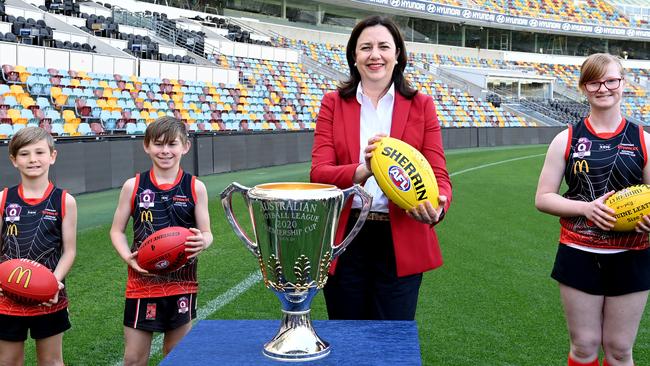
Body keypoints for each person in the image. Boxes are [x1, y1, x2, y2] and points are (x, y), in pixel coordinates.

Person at [310, 15, 452, 321]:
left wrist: (438, 204)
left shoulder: (421, 105)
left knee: (392, 340)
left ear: (397, 54)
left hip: (401, 236)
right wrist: (365, 169)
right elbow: (319, 173)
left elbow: (437, 171)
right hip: (346, 236)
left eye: (384, 46)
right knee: (347, 336)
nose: (375, 55)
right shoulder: (332, 103)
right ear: (354, 55)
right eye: (366, 47)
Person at [535, 53, 650, 366]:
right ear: (584, 87)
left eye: (611, 80)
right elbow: (543, 197)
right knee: (584, 346)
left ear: (623, 84)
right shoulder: (566, 139)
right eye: (594, 82)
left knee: (619, 349)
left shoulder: (643, 140)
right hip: (578, 251)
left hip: (632, 255)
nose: (604, 88)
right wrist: (586, 208)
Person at [110, 117, 213, 366]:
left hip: (182, 283)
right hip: (141, 282)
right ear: (146, 146)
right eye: (158, 144)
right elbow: (116, 231)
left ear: (185, 147)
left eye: (172, 144)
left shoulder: (195, 186)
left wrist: (203, 241)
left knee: (176, 356)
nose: (165, 151)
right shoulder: (133, 185)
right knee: (134, 359)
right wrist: (128, 257)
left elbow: (207, 233)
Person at [0, 127, 77, 365]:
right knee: (8, 361)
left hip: (49, 296)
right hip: (7, 297)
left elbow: (69, 250)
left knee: (52, 361)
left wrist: (53, 283)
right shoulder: (3, 199)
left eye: (39, 152)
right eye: (24, 154)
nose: (33, 159)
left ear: (52, 156)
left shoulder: (64, 200)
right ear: (13, 160)